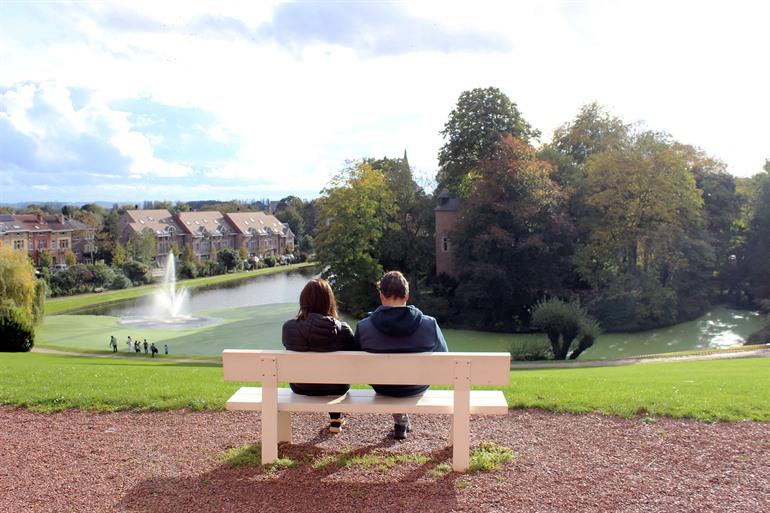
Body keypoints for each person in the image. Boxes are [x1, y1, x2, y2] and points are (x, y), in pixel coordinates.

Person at [355, 271, 448, 440]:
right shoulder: (429, 324)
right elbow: (445, 358)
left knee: (389, 376)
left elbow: (354, 362)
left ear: (381, 295)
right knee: (403, 375)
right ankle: (401, 421)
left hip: (382, 386)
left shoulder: (364, 327)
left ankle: (401, 421)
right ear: (407, 295)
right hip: (416, 386)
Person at [282, 278, 357, 434]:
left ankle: (336, 418)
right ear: (329, 301)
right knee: (333, 375)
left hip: (301, 386)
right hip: (337, 388)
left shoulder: (289, 328)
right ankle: (336, 418)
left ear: (303, 301)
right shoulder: (342, 330)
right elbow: (354, 359)